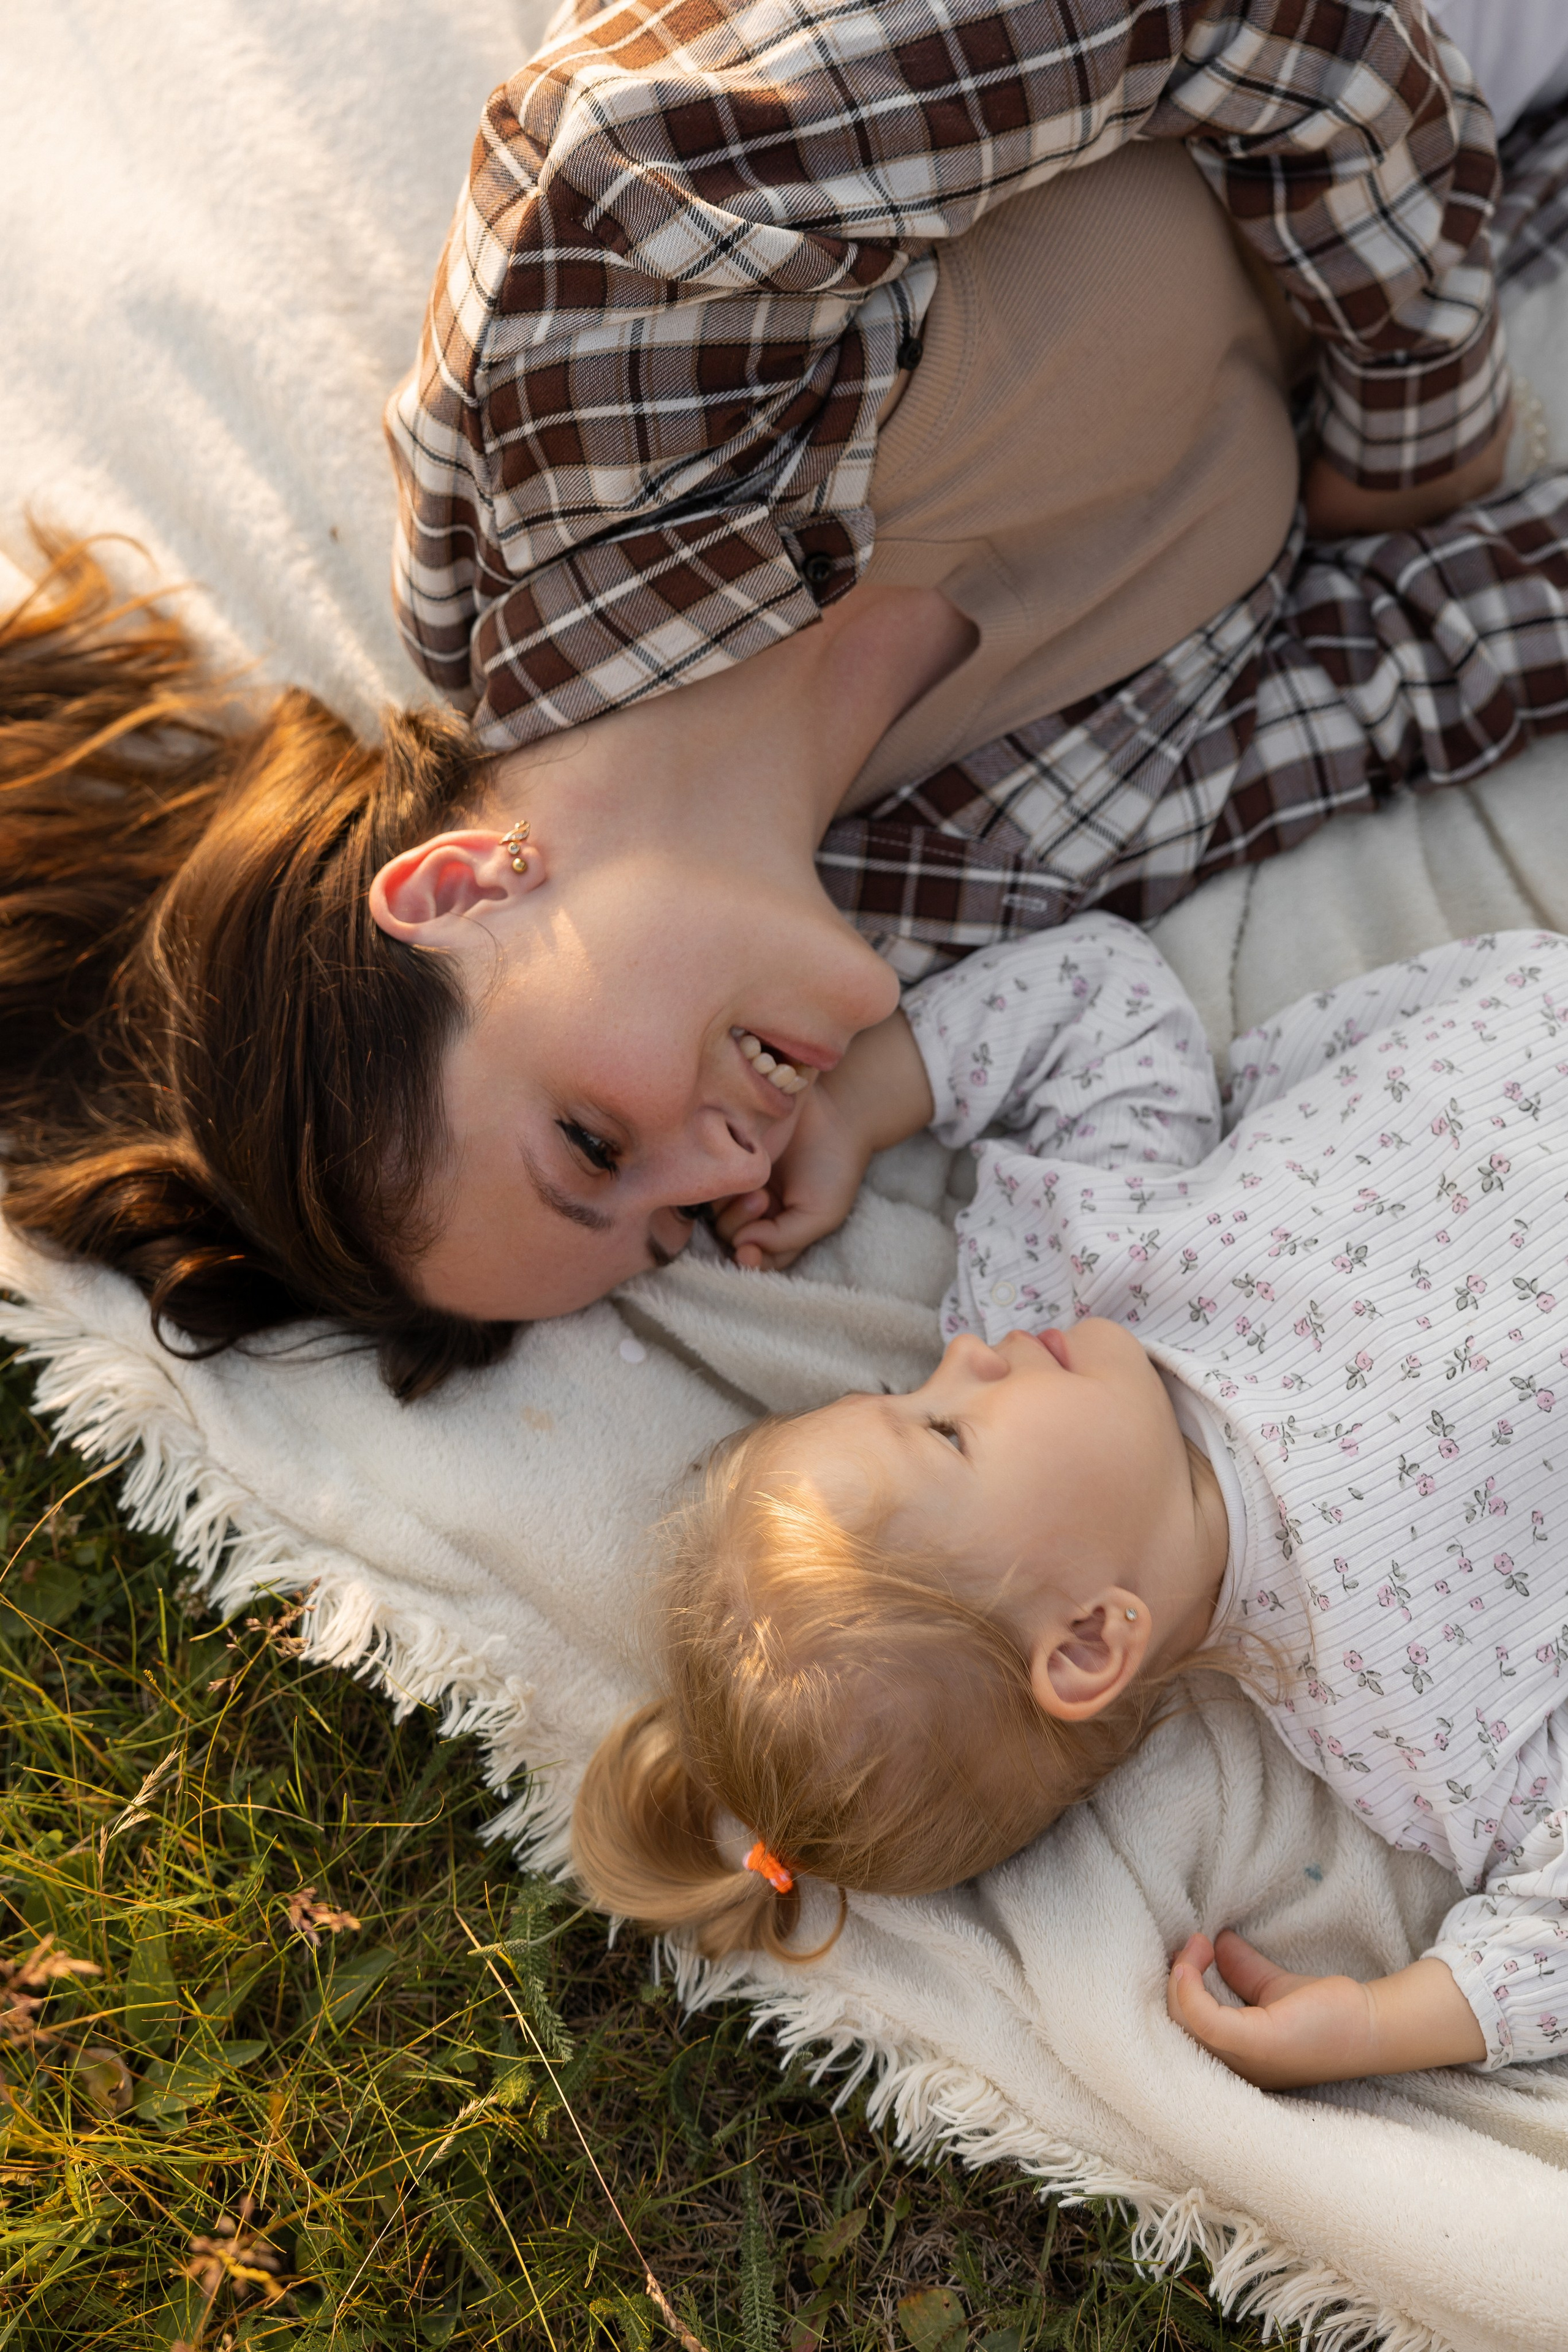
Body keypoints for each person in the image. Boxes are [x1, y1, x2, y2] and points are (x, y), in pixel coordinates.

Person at [6, 12, 1568, 1389]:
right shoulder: (968, 871)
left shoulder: (595, 362)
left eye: (594, 1147)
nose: (725, 1161)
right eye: (674, 1221)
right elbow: (1414, 665)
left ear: (460, 886)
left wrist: (1413, 402)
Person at [572, 918, 1568, 2086]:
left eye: (902, 1388)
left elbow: (1101, 998)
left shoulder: (1068, 1284)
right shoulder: (1400, 1699)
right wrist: (1381, 2024)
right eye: (945, 1431)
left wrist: (858, 1106)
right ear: (1091, 1639)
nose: (966, 1362)